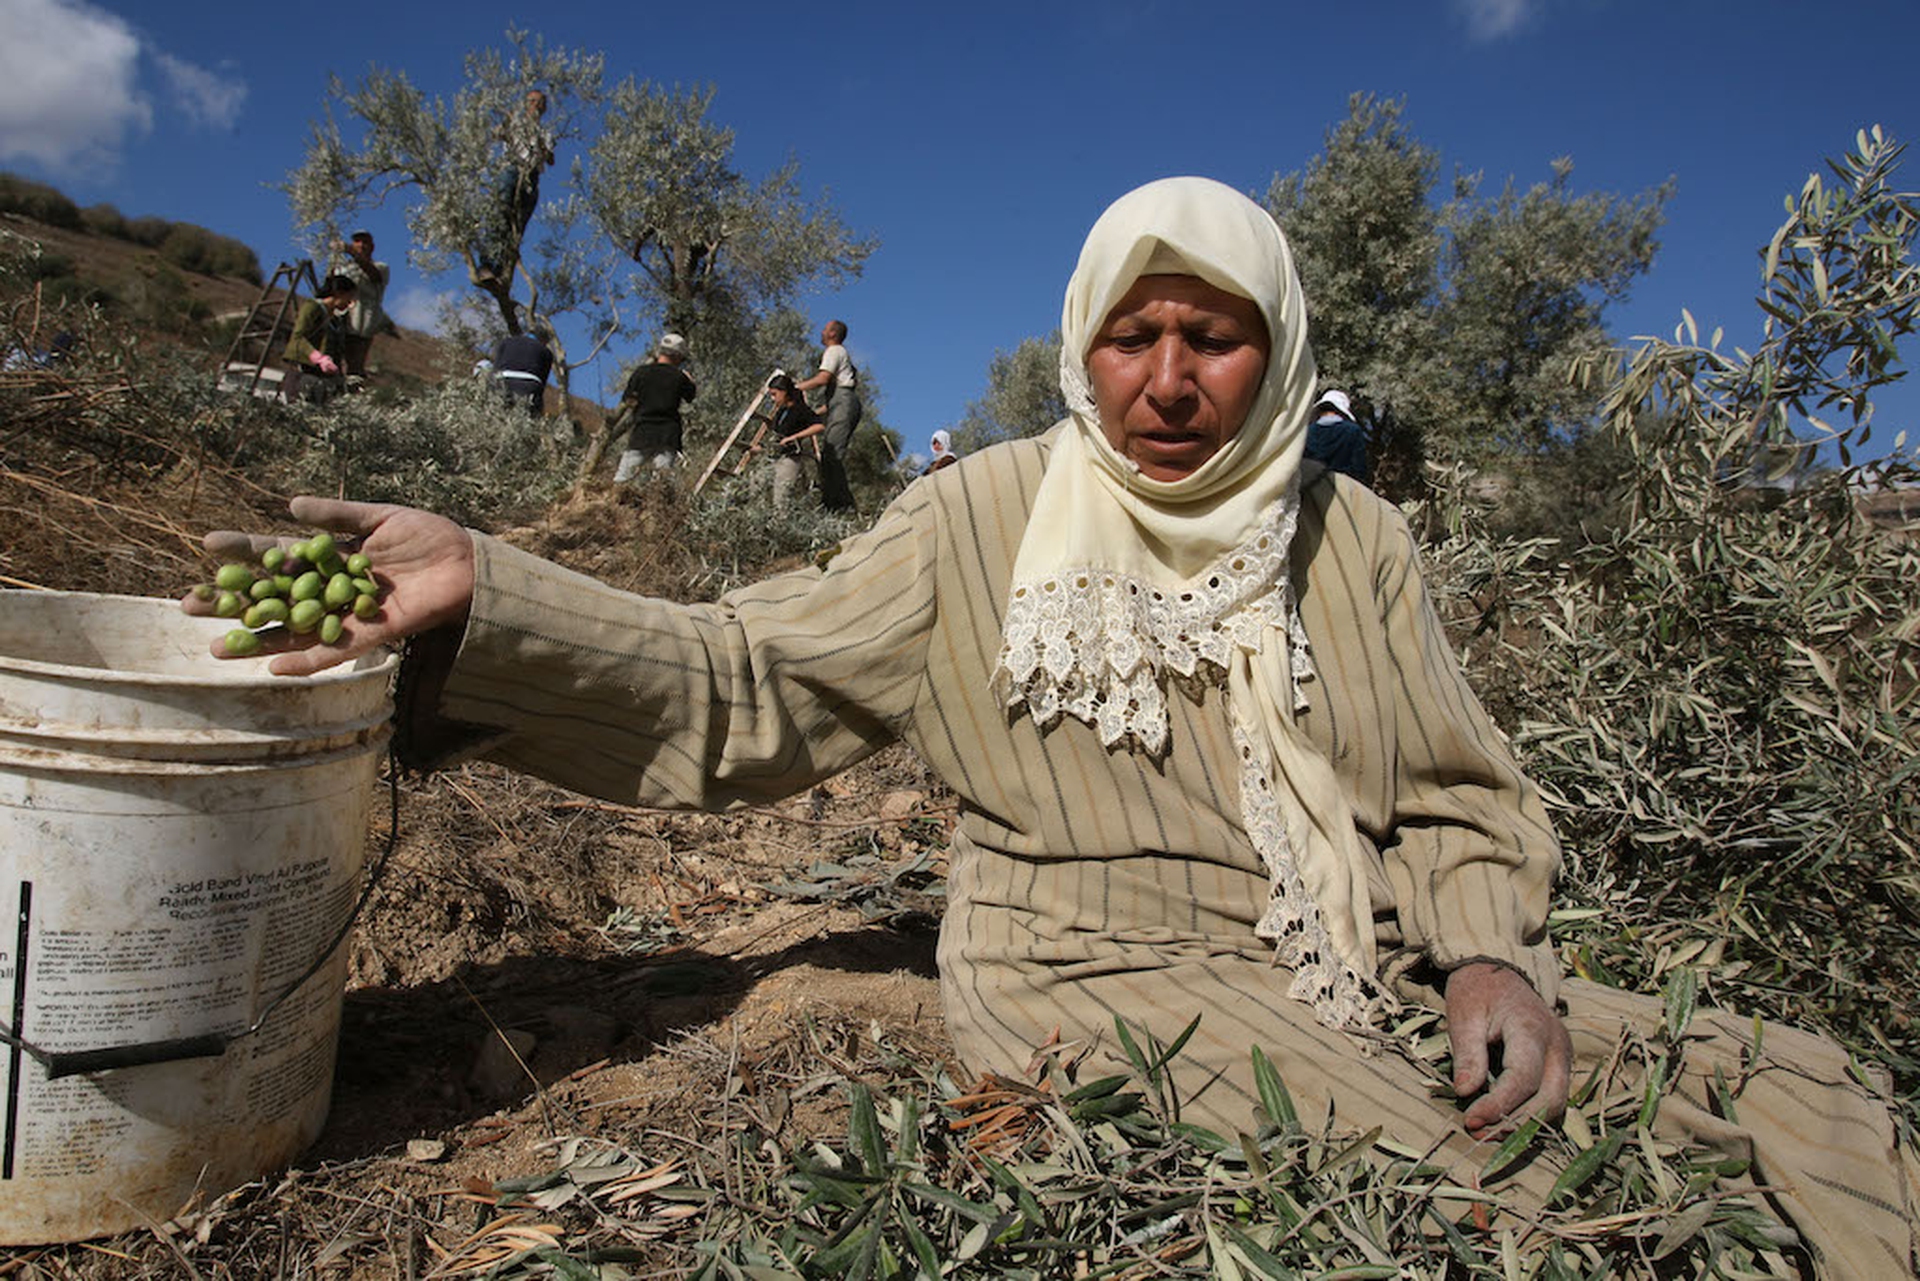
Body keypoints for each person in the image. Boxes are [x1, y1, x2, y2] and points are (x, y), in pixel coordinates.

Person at [187, 178, 1916, 1277]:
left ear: (1276, 349)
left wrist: (1486, 959)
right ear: (1084, 352)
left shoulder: (1354, 534)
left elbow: (1455, 792)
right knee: (1483, 1204)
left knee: (1796, 1088)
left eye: (1215, 336)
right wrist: (490, 587)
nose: (1170, 379)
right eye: (1133, 336)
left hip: (1350, 942)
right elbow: (744, 685)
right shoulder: (981, 515)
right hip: (1091, 960)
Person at [479, 89, 556, 282]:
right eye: (531, 101)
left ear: (544, 108)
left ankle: (504, 271)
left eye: (539, 103)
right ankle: (488, 265)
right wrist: (507, 122)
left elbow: (551, 159)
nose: (535, 106)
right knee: (500, 213)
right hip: (511, 170)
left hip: (532, 176)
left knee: (518, 226)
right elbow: (496, 134)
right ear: (525, 103)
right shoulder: (515, 124)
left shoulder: (545, 133)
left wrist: (542, 146)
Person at [792, 319, 861, 510]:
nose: (821, 332)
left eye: (825, 329)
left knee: (832, 456)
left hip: (844, 403)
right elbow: (835, 401)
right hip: (843, 403)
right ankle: (835, 503)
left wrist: (794, 389)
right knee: (830, 456)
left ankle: (840, 506)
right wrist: (816, 413)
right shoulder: (840, 353)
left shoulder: (834, 351)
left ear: (832, 334)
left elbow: (823, 378)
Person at [611, 333, 696, 482]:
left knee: (622, 479)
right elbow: (690, 396)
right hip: (667, 436)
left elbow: (628, 400)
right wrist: (690, 381)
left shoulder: (641, 373)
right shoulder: (679, 377)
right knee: (661, 484)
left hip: (642, 432)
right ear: (678, 356)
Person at [282, 274, 356, 403]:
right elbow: (297, 338)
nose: (350, 302)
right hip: (302, 374)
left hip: (322, 380)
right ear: (338, 293)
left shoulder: (336, 321)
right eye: (349, 297)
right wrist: (318, 358)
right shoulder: (312, 308)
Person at [754, 372, 821, 510]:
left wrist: (794, 437)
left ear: (784, 392)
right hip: (774, 458)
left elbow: (819, 426)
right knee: (756, 483)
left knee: (781, 497)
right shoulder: (780, 412)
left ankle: (781, 526)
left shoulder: (800, 409)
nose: (773, 399)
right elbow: (776, 436)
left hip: (790, 459)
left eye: (775, 394)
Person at [335, 232, 393, 378]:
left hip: (362, 325)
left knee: (354, 366)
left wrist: (351, 252)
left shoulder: (381, 267)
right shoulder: (345, 268)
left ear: (372, 247)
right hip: (340, 320)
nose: (361, 245)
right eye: (357, 241)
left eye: (365, 242)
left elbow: (373, 275)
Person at [1306, 388, 1370, 485]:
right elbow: (1359, 468)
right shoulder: (1353, 431)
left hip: (1311, 487)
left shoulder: (1308, 432)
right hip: (1345, 486)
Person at [489, 329, 553, 418]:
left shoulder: (506, 342)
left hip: (503, 380)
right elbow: (543, 380)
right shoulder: (546, 352)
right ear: (543, 339)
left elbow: (496, 367)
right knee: (528, 419)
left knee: (496, 416)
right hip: (529, 385)